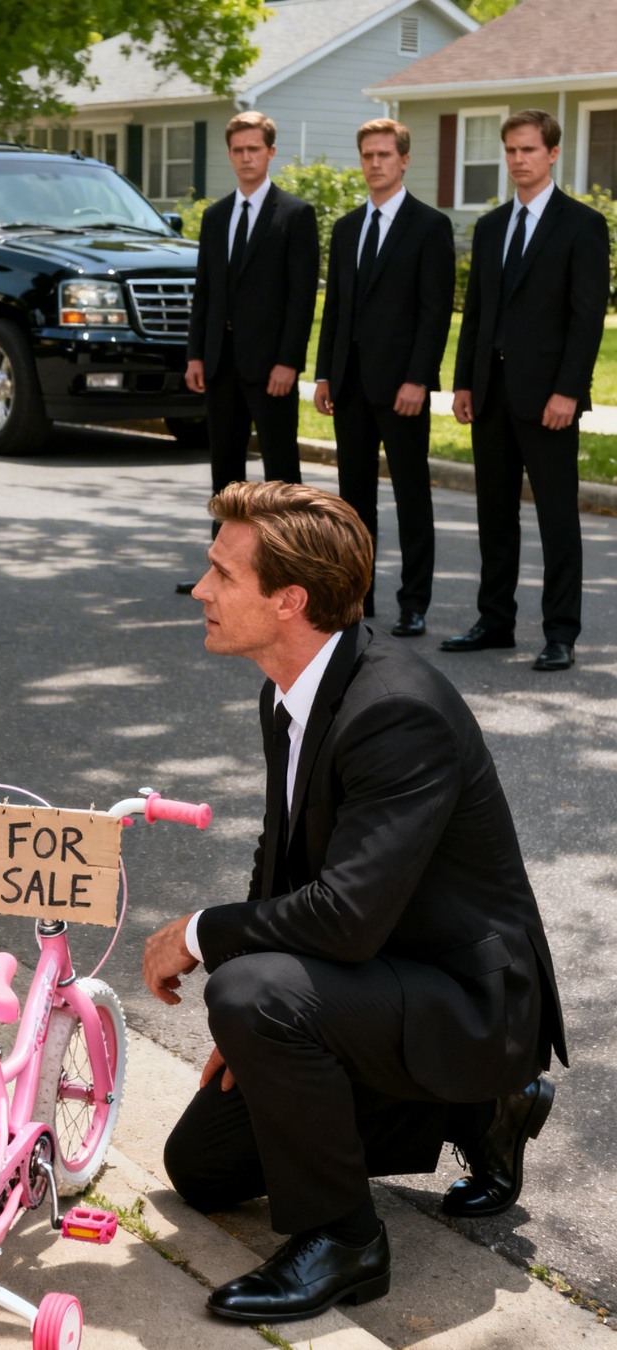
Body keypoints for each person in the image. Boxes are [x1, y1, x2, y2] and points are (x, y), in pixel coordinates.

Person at [144, 480, 566, 1324]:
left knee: (248, 991)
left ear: (290, 599)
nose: (201, 591)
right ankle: (479, 1112)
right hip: (379, 974)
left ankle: (344, 1241)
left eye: (223, 575)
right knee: (204, 1169)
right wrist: (257, 1037)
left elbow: (343, 915)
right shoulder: (291, 686)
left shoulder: (397, 710)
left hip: (466, 1000)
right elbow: (286, 858)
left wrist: (206, 942)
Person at [443, 109, 610, 672]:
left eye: (529, 150)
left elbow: (587, 318)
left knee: (557, 517)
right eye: (511, 150)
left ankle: (561, 632)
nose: (518, 160)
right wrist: (464, 381)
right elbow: (477, 315)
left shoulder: (581, 225)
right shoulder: (491, 227)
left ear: (553, 154)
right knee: (494, 515)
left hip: (549, 400)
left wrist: (569, 391)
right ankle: (495, 621)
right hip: (490, 394)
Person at [314, 118, 454, 636]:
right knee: (352, 502)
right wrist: (325, 372)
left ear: (404, 160)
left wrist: (419, 379)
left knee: (412, 493)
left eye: (384, 155)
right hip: (349, 384)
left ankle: (414, 602)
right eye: (368, 155)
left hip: (402, 389)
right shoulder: (348, 227)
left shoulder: (429, 226)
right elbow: (336, 309)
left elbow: (434, 311)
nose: (375, 164)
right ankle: (358, 598)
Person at [179, 111, 319, 592]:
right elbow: (206, 291)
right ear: (229, 153)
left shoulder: (295, 215)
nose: (245, 157)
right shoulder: (216, 217)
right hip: (220, 363)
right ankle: (224, 571)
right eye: (237, 149)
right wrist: (197, 353)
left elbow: (301, 298)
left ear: (270, 153)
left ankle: (293, 569)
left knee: (281, 473)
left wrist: (289, 361)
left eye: (253, 149)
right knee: (226, 473)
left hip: (270, 367)